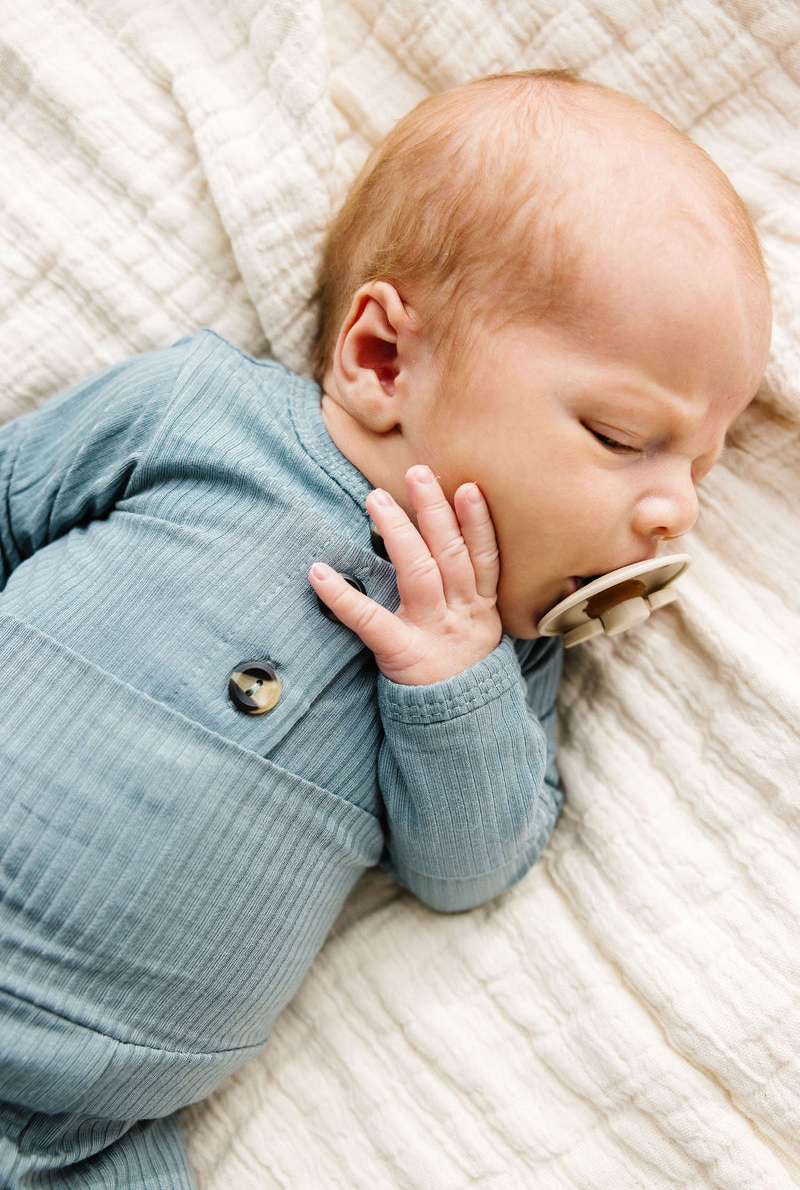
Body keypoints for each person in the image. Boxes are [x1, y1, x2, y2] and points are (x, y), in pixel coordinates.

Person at [0, 70, 771, 1187]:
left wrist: (452, 687)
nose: (675, 508)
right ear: (381, 359)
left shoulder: (503, 663)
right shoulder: (200, 419)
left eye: (698, 467)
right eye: (619, 435)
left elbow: (468, 867)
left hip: (87, 1138)